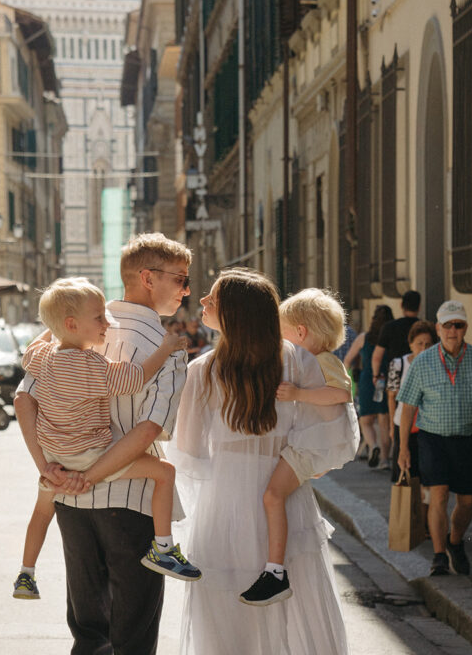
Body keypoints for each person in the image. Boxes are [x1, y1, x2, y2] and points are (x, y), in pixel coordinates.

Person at [14, 233, 192, 654]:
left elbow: (24, 399)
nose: (187, 290)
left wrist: (51, 470)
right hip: (129, 504)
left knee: (90, 632)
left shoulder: (67, 327)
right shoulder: (167, 349)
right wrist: (89, 475)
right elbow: (148, 431)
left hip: (69, 502)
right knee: (133, 634)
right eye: (181, 279)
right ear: (147, 278)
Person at [171, 268, 358, 654]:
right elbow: (334, 427)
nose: (202, 302)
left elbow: (188, 452)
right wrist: (303, 464)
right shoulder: (299, 362)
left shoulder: (201, 372)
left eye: (212, 298)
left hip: (224, 500)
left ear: (235, 313)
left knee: (225, 617)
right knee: (295, 608)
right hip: (285, 493)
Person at [241, 288, 355, 605]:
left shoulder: (324, 362)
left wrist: (297, 395)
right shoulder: (313, 361)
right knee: (274, 494)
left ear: (301, 332)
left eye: (283, 334)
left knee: (272, 495)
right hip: (311, 446)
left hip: (309, 447)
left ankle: (275, 572)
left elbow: (341, 394)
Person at [397, 300, 472, 577]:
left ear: (465, 328)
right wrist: (402, 448)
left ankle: (455, 542)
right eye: (447, 325)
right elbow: (408, 406)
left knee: (467, 502)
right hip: (433, 439)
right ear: (438, 328)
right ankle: (438, 556)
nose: (453, 330)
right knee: (439, 494)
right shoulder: (422, 362)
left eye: (458, 325)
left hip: (469, 439)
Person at [386, 320, 437, 483]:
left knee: (427, 478)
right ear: (410, 344)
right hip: (404, 424)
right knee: (407, 476)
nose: (423, 349)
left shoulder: (437, 365)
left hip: (428, 425)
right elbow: (391, 396)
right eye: (419, 344)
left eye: (428, 344)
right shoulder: (398, 364)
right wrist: (392, 427)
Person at [344, 305, 393, 469]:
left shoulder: (363, 338)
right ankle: (385, 459)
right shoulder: (389, 338)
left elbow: (348, 359)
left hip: (366, 380)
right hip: (385, 380)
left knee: (366, 420)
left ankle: (373, 446)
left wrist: (348, 376)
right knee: (384, 421)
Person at [371, 289, 421, 383]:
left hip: (395, 375)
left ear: (401, 305)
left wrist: (376, 375)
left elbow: (377, 356)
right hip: (419, 375)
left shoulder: (389, 327)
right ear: (419, 307)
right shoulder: (424, 328)